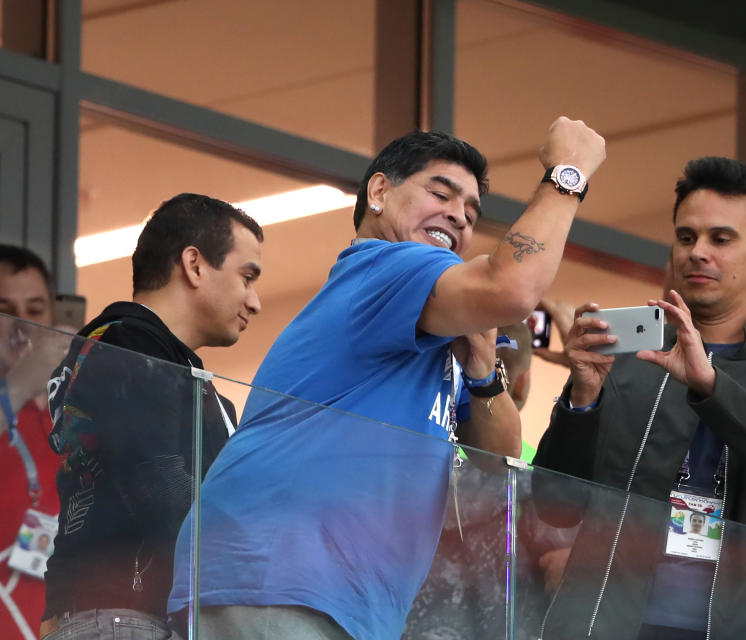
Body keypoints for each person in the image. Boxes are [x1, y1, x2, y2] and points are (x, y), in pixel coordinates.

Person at [167, 117, 606, 640]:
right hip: (278, 579)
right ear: (379, 191)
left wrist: (484, 375)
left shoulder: (435, 321)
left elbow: (499, 457)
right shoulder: (386, 266)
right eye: (440, 193)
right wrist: (567, 174)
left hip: (335, 601)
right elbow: (511, 287)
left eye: (471, 212)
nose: (459, 217)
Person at [533, 156, 746, 639]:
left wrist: (711, 386)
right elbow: (555, 505)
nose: (698, 252)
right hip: (606, 622)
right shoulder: (626, 356)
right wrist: (583, 397)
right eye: (686, 237)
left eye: (721, 239)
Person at [39, 194, 263, 640]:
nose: (254, 302)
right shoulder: (127, 346)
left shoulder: (152, 361)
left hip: (125, 616)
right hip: (125, 619)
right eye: (247, 276)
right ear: (195, 265)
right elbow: (161, 489)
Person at [0, 245, 69, 639]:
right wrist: (22, 383)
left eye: (36, 309)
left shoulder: (75, 407)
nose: (21, 324)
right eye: (5, 309)